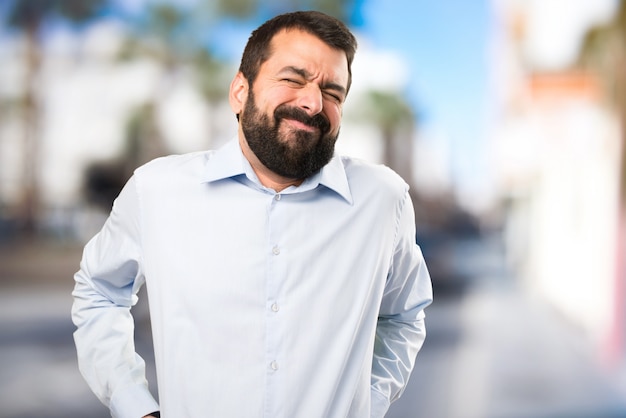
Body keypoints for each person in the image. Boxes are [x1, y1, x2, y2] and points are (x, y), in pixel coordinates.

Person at [72, 10, 433, 418]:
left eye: (333, 92)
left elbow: (404, 315)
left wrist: (368, 400)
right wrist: (132, 404)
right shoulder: (156, 190)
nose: (313, 102)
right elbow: (99, 293)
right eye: (293, 79)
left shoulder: (383, 200)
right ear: (240, 92)